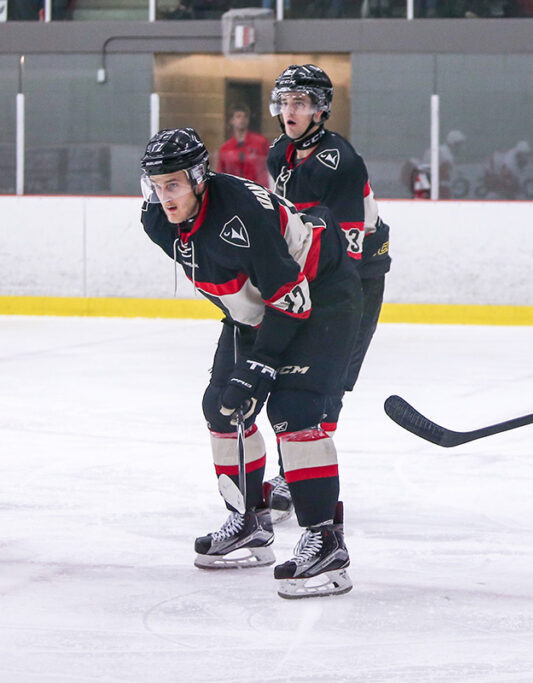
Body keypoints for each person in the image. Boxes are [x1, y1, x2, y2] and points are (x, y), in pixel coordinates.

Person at [139, 127, 363, 599]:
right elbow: (227, 279)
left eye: (174, 184)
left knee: (294, 411)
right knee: (222, 407)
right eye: (156, 186)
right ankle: (248, 522)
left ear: (200, 177)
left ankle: (326, 543)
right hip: (263, 302)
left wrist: (261, 367)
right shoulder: (157, 220)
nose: (164, 197)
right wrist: (244, 370)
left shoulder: (241, 211)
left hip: (321, 291)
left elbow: (294, 299)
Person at [265, 64, 392, 521]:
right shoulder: (280, 153)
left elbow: (348, 248)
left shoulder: (340, 160)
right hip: (313, 273)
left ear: (320, 110)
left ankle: (297, 474)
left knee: (327, 380)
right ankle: (294, 469)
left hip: (354, 280)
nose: (288, 110)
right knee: (292, 377)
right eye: (284, 101)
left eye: (299, 102)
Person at [217, 104, 271, 188]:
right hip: (234, 191)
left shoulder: (261, 142)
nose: (242, 120)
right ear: (231, 120)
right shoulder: (226, 148)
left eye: (245, 117)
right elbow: (220, 175)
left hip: (258, 191)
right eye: (238, 116)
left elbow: (270, 167)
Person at [421, 129, 466, 199]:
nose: (461, 148)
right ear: (454, 144)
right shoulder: (441, 153)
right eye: (460, 145)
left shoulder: (448, 154)